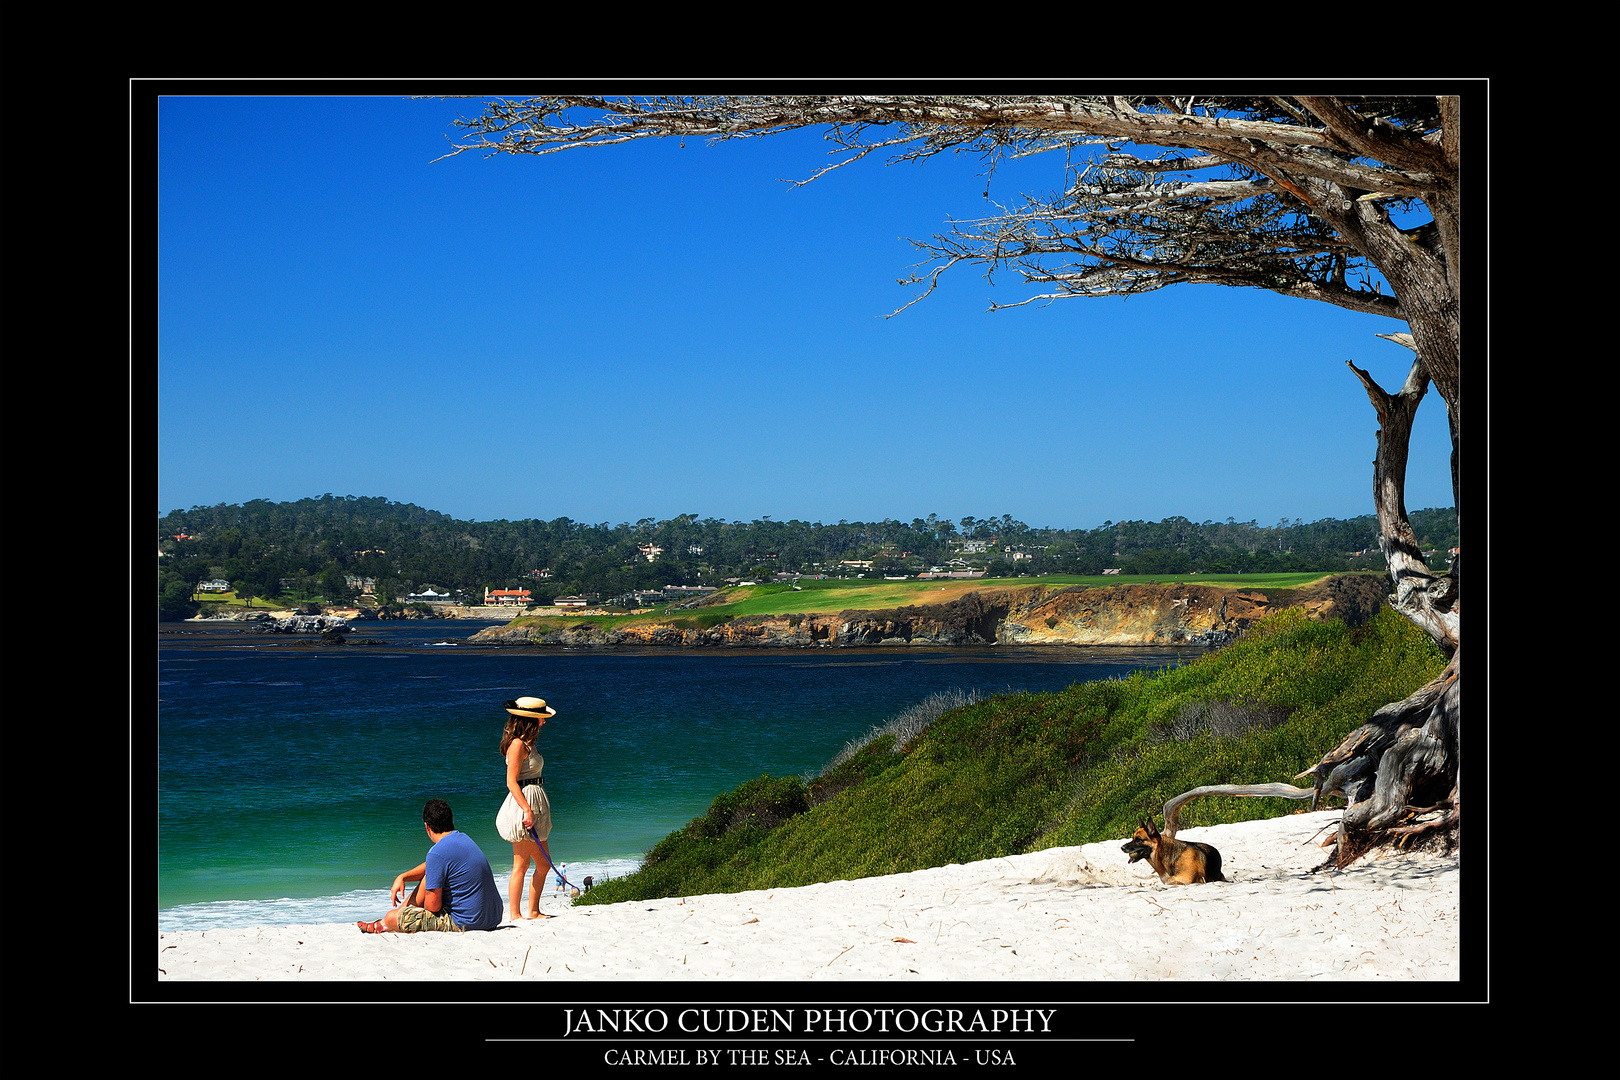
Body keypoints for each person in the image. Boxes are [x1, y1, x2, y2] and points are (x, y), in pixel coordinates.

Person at [357, 799, 502, 934]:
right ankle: (394, 916)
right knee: (431, 877)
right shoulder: (464, 838)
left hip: (468, 923)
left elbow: (433, 907)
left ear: (427, 826)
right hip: (493, 917)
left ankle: (385, 923)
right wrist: (403, 877)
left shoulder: (436, 852)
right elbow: (434, 866)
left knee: (391, 917)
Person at [494, 695, 559, 921]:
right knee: (520, 863)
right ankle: (515, 914)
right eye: (541, 719)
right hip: (524, 805)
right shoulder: (517, 745)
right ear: (530, 721)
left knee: (543, 864)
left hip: (534, 803)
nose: (543, 722)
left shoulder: (529, 744)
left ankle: (532, 910)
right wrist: (526, 809)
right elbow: (511, 781)